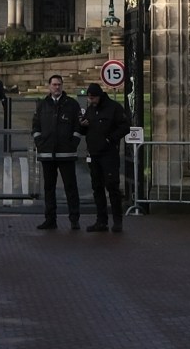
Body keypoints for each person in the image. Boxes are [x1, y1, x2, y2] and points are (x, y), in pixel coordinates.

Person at [29, 72, 83, 229]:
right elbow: (35, 125)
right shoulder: (42, 105)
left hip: (66, 153)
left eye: (59, 84)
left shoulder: (72, 104)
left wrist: (73, 143)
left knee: (70, 187)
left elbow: (78, 126)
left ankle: (74, 219)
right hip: (47, 153)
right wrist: (39, 142)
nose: (57, 87)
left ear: (62, 86)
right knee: (49, 188)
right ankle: (50, 219)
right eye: (54, 84)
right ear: (49, 86)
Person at [80, 83, 132, 232]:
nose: (91, 101)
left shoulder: (113, 108)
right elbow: (85, 128)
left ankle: (117, 221)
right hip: (94, 154)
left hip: (109, 154)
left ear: (99, 96)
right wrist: (83, 125)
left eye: (93, 98)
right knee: (97, 188)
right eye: (89, 98)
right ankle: (101, 221)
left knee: (112, 187)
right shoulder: (91, 109)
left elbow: (124, 126)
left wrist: (110, 139)